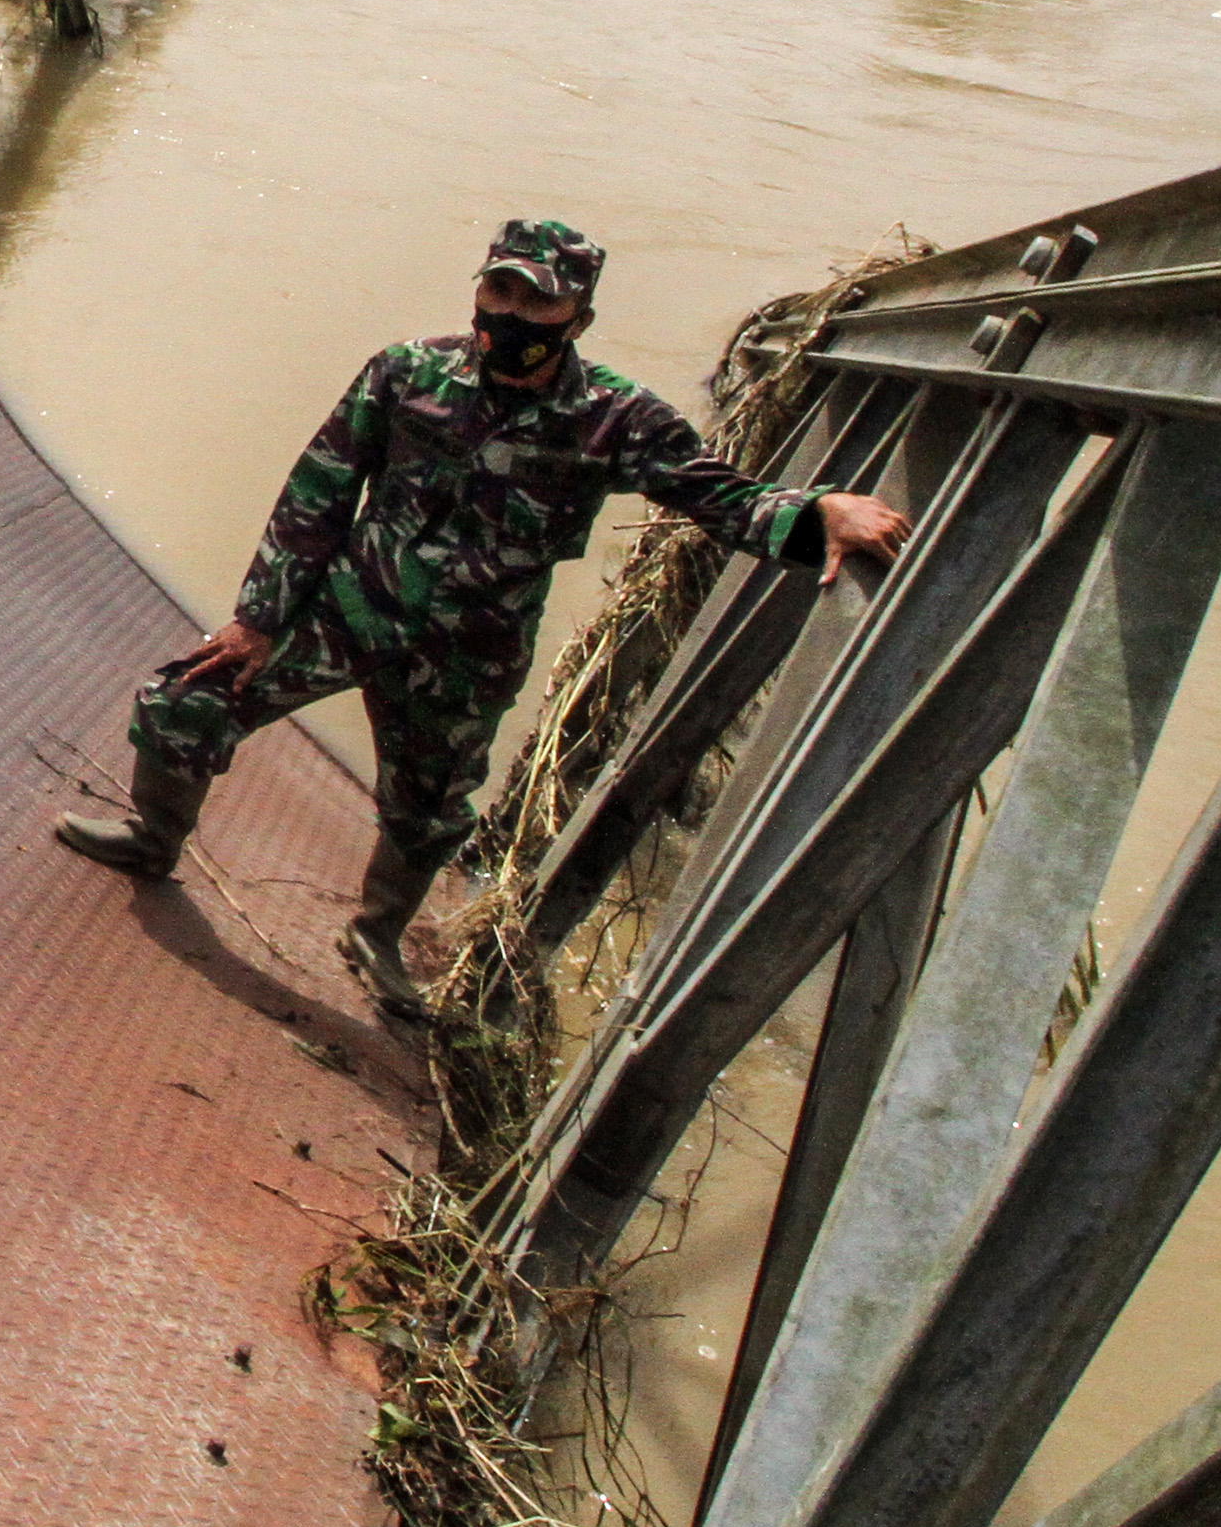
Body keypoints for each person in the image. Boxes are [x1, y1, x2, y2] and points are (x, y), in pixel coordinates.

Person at [57, 219, 912, 1022]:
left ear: (578, 319)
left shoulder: (615, 418)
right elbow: (319, 490)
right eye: (500, 291)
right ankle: (152, 838)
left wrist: (817, 515)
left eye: (538, 302)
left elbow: (718, 497)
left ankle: (375, 937)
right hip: (353, 608)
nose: (511, 315)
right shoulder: (407, 372)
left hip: (471, 652)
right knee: (188, 701)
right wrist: (259, 617)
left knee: (428, 811)